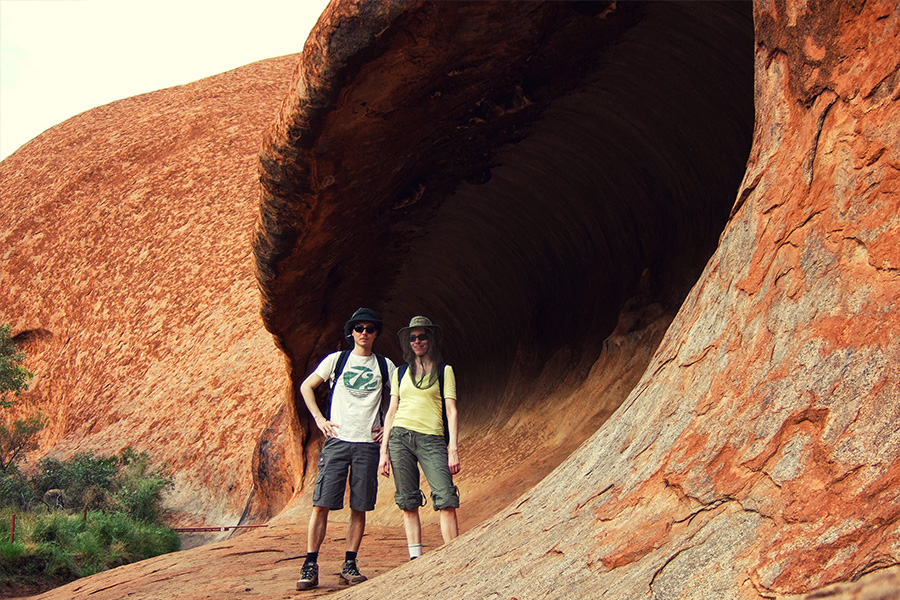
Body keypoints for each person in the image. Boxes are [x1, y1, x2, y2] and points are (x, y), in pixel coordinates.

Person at [295, 308, 396, 590]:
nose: (364, 333)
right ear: (351, 332)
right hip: (338, 440)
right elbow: (306, 387)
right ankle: (310, 563)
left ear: (376, 333)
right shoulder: (336, 361)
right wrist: (319, 419)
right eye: (359, 328)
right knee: (321, 503)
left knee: (359, 506)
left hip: (367, 443)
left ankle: (349, 563)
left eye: (370, 328)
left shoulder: (385, 365)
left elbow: (399, 397)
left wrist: (387, 426)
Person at [379, 315, 460, 560]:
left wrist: (452, 447)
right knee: (408, 500)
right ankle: (416, 558)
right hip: (400, 438)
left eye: (422, 336)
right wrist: (383, 452)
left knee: (445, 497)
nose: (417, 341)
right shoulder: (400, 373)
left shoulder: (445, 371)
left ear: (430, 339)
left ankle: (453, 555)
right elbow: (391, 411)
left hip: (432, 438)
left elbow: (451, 410)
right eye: (413, 338)